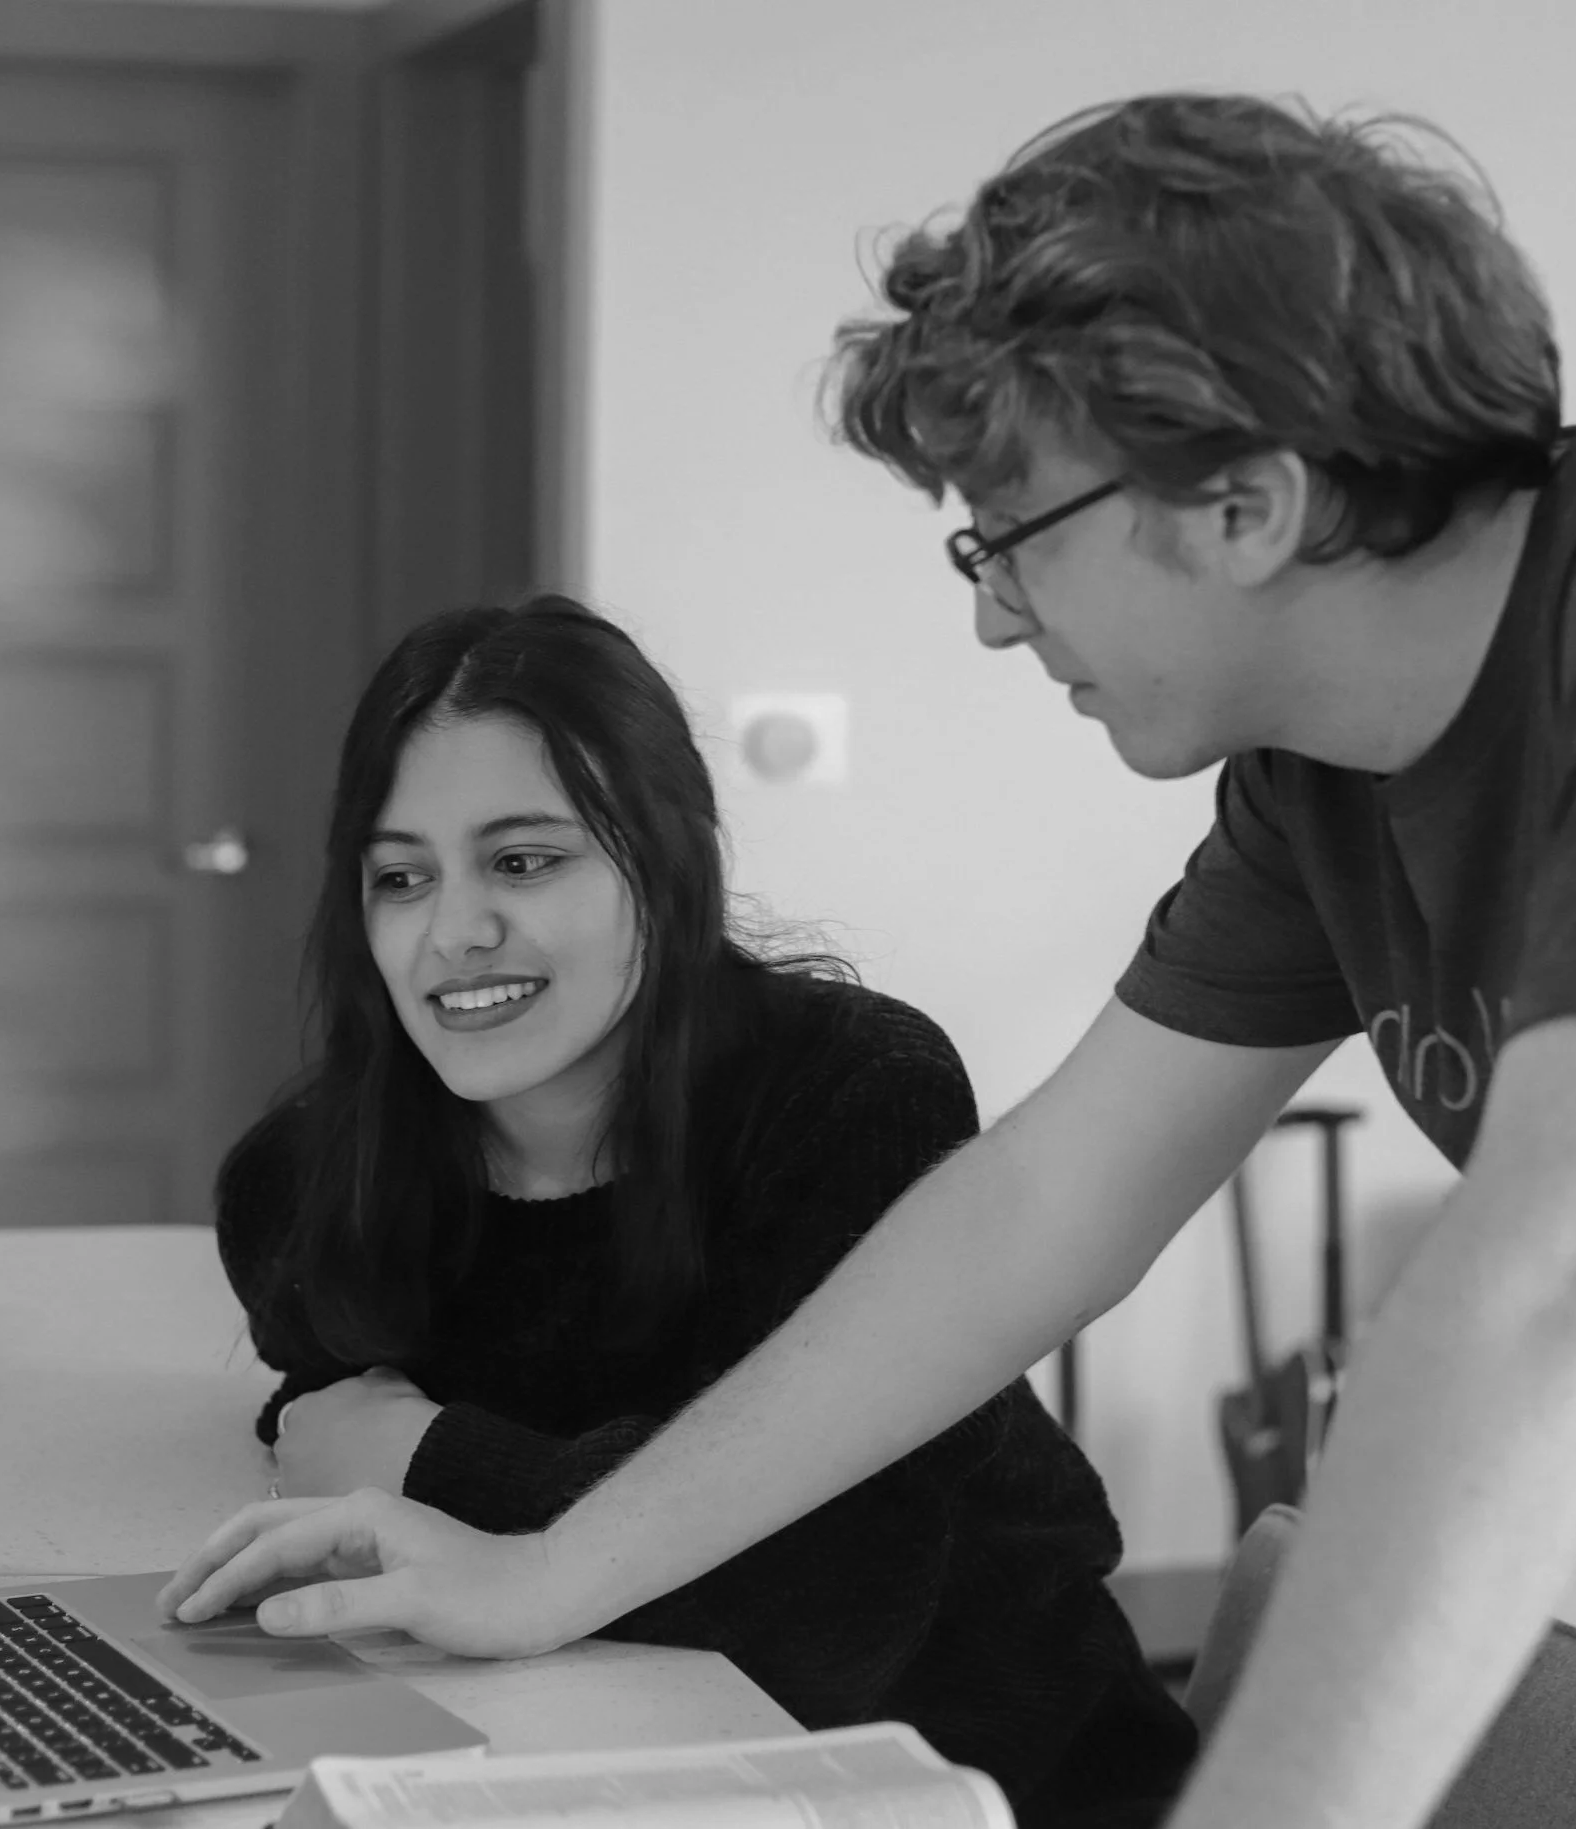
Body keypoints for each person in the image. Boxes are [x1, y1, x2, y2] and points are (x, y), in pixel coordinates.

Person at [163, 98, 1576, 1829]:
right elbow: (1041, 1203)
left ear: (1245, 503)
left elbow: (1559, 1278)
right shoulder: (1324, 782)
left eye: (1009, 534)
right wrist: (544, 1562)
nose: (985, 608)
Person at [162, 597, 1192, 1825]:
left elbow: (823, 1614)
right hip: (599, 1774)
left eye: (524, 859)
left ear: (666, 858)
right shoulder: (303, 1181)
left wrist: (432, 1456)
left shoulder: (854, 1094)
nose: (454, 930)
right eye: (400, 876)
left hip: (995, 1777)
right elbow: (332, 1444)